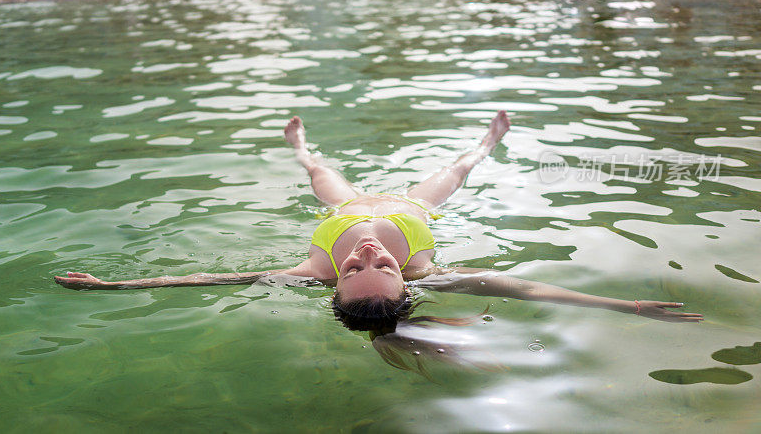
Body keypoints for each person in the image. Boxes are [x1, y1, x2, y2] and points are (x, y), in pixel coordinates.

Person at [56, 112, 703, 333]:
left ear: (331, 286)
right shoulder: (428, 269)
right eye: (382, 265)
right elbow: (526, 288)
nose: (366, 251)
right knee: (458, 170)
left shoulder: (311, 268)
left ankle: (302, 147)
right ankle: (487, 140)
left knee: (320, 173)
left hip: (343, 199)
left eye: (356, 267)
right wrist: (624, 303)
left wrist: (110, 288)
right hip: (412, 204)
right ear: (406, 275)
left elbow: (207, 277)